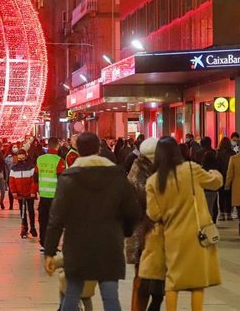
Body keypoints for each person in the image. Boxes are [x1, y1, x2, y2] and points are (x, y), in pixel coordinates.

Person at [44, 132, 141, 311]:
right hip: (110, 243)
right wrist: (123, 231)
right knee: (111, 296)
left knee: (72, 293)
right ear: (99, 149)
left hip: (77, 245)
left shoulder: (69, 178)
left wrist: (49, 251)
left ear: (78, 150)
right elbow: (133, 212)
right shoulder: (117, 176)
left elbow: (56, 218)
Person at [145, 136, 222, 311]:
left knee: (173, 282)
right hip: (196, 234)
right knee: (197, 282)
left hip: (172, 236)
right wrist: (215, 173)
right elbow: (215, 183)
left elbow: (153, 214)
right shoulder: (191, 169)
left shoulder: (153, 181)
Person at [126, 137, 162, 311]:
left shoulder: (146, 169)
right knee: (142, 278)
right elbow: (147, 200)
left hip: (150, 231)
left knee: (152, 277)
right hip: (143, 232)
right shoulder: (141, 172)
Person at [35, 137, 67, 250]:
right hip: (55, 196)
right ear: (57, 146)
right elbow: (62, 179)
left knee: (43, 220)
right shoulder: (59, 161)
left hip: (43, 195)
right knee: (55, 222)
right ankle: (52, 245)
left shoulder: (40, 159)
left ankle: (43, 243)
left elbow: (35, 177)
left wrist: (36, 190)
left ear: (48, 146)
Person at [9, 148, 38, 239]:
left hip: (29, 194)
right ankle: (24, 227)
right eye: (19, 155)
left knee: (30, 210)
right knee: (22, 211)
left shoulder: (31, 167)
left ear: (26, 156)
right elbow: (11, 181)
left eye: (22, 155)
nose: (21, 157)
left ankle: (32, 227)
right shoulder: (14, 168)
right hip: (20, 194)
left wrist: (33, 191)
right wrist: (13, 191)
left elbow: (34, 180)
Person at [216, 137, 234, 221]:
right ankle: (229, 213)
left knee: (221, 195)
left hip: (221, 176)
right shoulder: (233, 153)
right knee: (229, 195)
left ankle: (222, 213)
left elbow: (217, 165)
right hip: (230, 176)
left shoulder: (218, 153)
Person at [201, 150, 222, 222]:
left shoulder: (203, 168)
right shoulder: (215, 168)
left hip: (205, 189)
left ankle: (207, 219)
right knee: (213, 204)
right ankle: (212, 218)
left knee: (205, 205)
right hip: (213, 189)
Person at [1, 145, 16, 210]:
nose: (15, 148)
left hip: (11, 176)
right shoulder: (8, 158)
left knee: (12, 190)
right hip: (11, 176)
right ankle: (11, 205)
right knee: (11, 190)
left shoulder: (7, 158)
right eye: (14, 147)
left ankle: (12, 205)